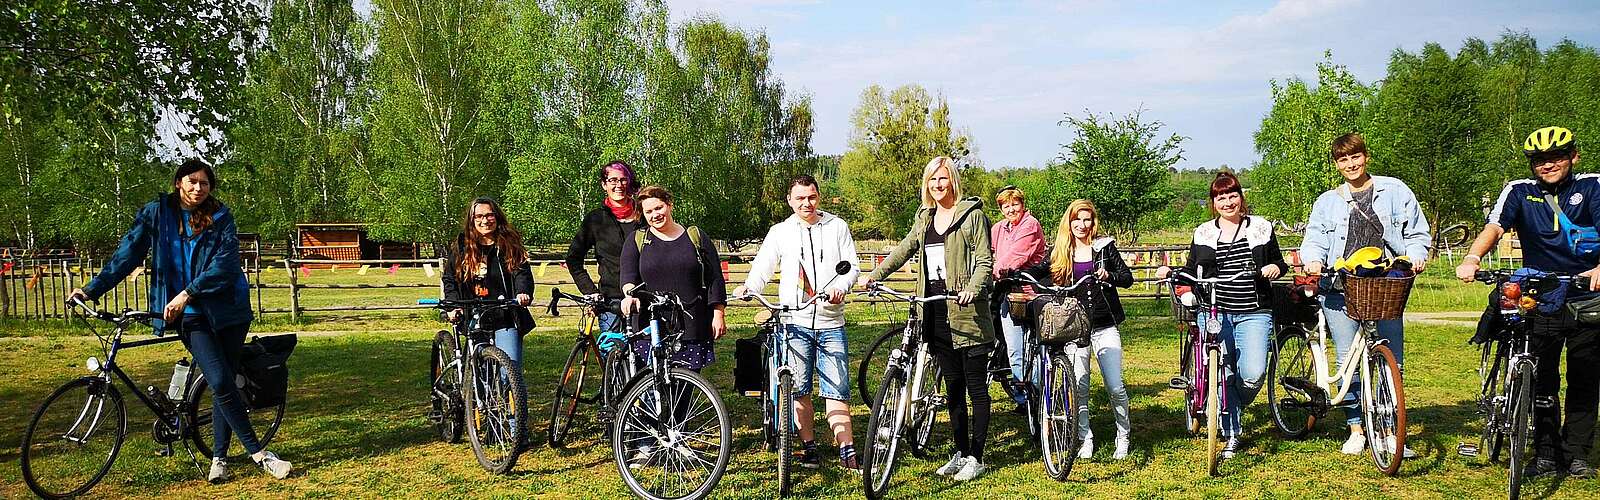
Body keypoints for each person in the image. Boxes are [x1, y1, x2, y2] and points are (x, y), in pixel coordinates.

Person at [71, 159, 292, 483]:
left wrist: (188, 292)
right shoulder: (156, 214)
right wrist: (91, 290)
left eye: (204, 183)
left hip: (228, 309)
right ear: (178, 182)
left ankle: (220, 459)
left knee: (223, 382)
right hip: (189, 316)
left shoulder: (220, 216)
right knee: (218, 379)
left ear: (210, 188)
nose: (198, 188)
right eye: (192, 181)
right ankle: (260, 454)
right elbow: (127, 255)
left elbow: (225, 264)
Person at [1456, 126, 1600, 479]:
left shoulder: (1593, 186)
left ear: (1573, 157)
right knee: (1541, 377)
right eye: (1539, 160)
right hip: (1540, 296)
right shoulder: (1519, 191)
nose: (1547, 165)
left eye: (1555, 157)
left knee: (1585, 377)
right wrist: (1473, 258)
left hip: (1587, 295)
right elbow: (1495, 227)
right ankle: (1546, 452)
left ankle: (1577, 453)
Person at [858, 156, 995, 481]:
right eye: (932, 180)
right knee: (953, 388)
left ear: (953, 182)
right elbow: (905, 249)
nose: (937, 185)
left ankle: (977, 456)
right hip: (934, 313)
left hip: (967, 315)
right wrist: (874, 275)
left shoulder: (972, 215)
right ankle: (960, 452)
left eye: (943, 179)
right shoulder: (925, 217)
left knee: (976, 390)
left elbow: (985, 262)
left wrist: (972, 289)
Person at [1301, 132, 1429, 457]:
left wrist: (1417, 254)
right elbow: (1314, 236)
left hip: (1384, 283)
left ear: (1366, 156)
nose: (1350, 164)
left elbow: (1416, 230)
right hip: (1339, 285)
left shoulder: (1395, 190)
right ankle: (1357, 427)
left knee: (1391, 361)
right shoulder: (1327, 201)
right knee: (1348, 359)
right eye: (1343, 159)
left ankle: (1387, 430)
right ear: (1336, 164)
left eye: (1355, 157)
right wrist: (1313, 259)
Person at [735, 175, 863, 469]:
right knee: (799, 388)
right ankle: (808, 447)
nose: (807, 203)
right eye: (800, 198)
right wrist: (749, 287)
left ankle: (847, 449)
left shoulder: (837, 226)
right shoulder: (780, 232)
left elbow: (851, 266)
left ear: (819, 197)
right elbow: (763, 266)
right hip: (794, 321)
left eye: (812, 197)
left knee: (837, 388)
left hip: (831, 322)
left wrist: (841, 287)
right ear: (790, 200)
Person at [1157, 171, 1287, 460]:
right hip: (1213, 310)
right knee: (1221, 372)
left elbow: (1279, 262)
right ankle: (1231, 432)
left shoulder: (1261, 228)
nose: (1228, 202)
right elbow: (1192, 269)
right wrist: (1171, 272)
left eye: (1232, 195)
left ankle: (1232, 406)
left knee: (1253, 374)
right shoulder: (1204, 232)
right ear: (1213, 202)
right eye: (1220, 197)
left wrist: (1275, 269)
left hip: (1254, 311)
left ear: (1241, 197)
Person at [1024, 199, 1133, 460]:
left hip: (1105, 325)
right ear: (1069, 222)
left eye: (1087, 219)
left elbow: (1127, 278)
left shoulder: (1104, 248)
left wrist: (1110, 276)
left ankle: (1123, 435)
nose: (1082, 225)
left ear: (1093, 222)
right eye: (1077, 219)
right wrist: (1014, 274)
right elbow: (1037, 271)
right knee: (1079, 386)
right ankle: (1085, 438)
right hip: (1073, 329)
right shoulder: (1060, 251)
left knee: (1115, 386)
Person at [620, 185, 727, 371]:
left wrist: (718, 314)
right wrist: (629, 295)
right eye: (649, 211)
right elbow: (628, 276)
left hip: (692, 326)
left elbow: (714, 279)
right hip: (650, 326)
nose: (655, 215)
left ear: (669, 205)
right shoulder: (636, 240)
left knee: (684, 391)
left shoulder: (696, 237)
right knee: (653, 392)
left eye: (659, 208)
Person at [440, 197, 535, 366]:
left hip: (505, 315)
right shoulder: (462, 247)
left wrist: (523, 292)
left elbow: (522, 273)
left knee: (510, 371)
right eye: (479, 216)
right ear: (472, 220)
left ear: (497, 217)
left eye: (489, 215)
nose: (484, 220)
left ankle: (509, 392)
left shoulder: (509, 245)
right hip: (474, 316)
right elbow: (450, 279)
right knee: (479, 372)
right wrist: (453, 306)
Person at [565, 161, 645, 334]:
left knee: (645, 357)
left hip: (644, 299)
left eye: (624, 180)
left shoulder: (645, 216)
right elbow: (573, 259)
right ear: (604, 184)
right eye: (613, 180)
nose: (619, 185)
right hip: (611, 302)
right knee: (613, 354)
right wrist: (590, 291)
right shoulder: (595, 219)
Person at [990, 185, 1047, 413]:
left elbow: (1016, 256)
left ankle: (1039, 394)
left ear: (1023, 205)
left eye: (1015, 204)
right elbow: (991, 252)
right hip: (1007, 291)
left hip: (1030, 291)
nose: (1011, 209)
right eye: (1006, 205)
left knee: (1035, 347)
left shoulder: (1030, 225)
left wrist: (992, 272)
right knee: (1014, 348)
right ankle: (1024, 398)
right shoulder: (998, 229)